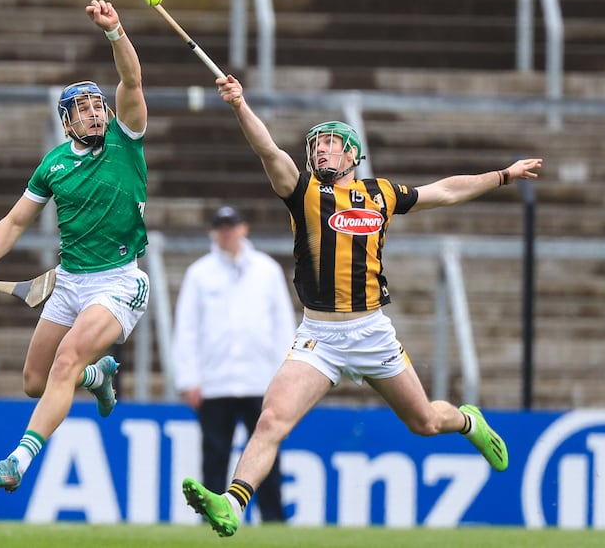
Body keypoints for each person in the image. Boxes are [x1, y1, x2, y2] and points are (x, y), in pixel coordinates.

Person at [182, 74, 544, 537]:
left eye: (332, 145)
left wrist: (503, 175)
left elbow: (446, 191)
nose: (322, 152)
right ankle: (232, 504)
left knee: (427, 422)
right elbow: (269, 152)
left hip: (372, 332)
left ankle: (468, 420)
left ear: (354, 155)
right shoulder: (304, 193)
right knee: (271, 419)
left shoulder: (382, 194)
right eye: (317, 146)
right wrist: (239, 106)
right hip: (320, 337)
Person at [0, 0, 150, 492]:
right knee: (35, 381)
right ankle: (98, 378)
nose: (94, 114)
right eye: (83, 110)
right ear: (67, 122)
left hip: (119, 282)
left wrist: (116, 33)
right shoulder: (53, 165)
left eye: (97, 106)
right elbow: (15, 221)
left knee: (66, 360)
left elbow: (131, 81)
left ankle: (17, 464)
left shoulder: (125, 140)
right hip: (69, 282)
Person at [172, 205, 295, 524]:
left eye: (232, 226)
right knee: (215, 455)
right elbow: (186, 329)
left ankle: (273, 518)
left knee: (266, 451)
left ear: (244, 228)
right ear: (214, 232)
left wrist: (286, 378)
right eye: (221, 227)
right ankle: (211, 517)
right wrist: (189, 380)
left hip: (261, 380)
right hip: (216, 381)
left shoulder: (267, 270)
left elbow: (283, 325)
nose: (227, 232)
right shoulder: (199, 273)